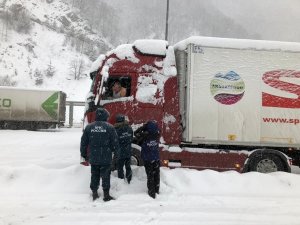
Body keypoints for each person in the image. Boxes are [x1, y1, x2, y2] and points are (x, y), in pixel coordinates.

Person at [80, 108, 120, 201]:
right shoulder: (110, 127)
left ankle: (94, 193)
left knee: (94, 175)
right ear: (106, 116)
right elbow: (115, 143)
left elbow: (83, 142)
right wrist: (117, 154)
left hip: (93, 156)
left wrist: (84, 154)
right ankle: (106, 195)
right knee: (106, 176)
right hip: (106, 157)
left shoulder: (89, 127)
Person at [134, 120, 160, 199]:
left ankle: (151, 193)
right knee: (156, 174)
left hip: (147, 158)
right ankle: (156, 190)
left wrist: (143, 127)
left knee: (150, 175)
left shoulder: (144, 135)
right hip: (156, 157)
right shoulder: (157, 134)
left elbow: (135, 133)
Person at [114, 114, 133, 183]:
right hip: (128, 150)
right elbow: (131, 138)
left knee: (120, 167)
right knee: (128, 166)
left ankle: (121, 180)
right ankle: (129, 179)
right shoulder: (129, 127)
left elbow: (115, 141)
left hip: (120, 152)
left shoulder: (116, 130)